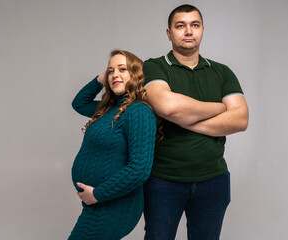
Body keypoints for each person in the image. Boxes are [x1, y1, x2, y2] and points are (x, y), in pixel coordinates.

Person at [142, 4, 249, 240]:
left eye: (194, 25)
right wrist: (221, 108)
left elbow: (241, 119)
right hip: (163, 180)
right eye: (180, 26)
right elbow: (168, 107)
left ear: (202, 30)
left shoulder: (222, 72)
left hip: (213, 180)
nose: (188, 31)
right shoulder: (153, 66)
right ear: (169, 33)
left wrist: (184, 119)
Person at [68, 49, 157, 240]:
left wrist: (98, 194)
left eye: (123, 69)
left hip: (114, 205)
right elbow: (79, 103)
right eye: (111, 71)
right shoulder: (109, 108)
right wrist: (102, 78)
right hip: (99, 203)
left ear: (136, 75)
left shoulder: (138, 111)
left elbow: (140, 169)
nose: (115, 74)